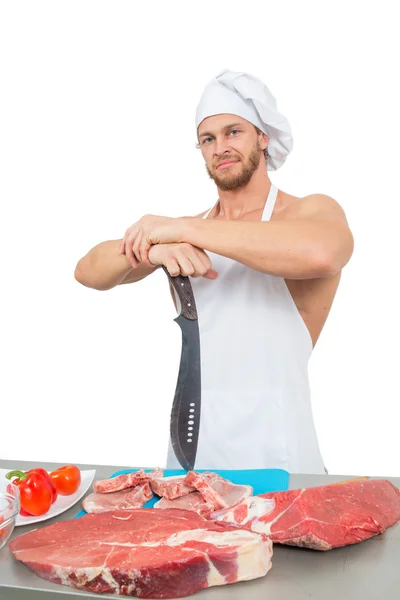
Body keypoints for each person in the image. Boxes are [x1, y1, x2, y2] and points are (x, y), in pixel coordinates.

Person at [75, 69, 354, 474]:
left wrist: (179, 229)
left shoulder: (307, 212)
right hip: (192, 451)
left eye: (233, 132)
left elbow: (325, 253)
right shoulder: (182, 235)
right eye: (208, 139)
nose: (220, 147)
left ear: (263, 137)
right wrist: (155, 252)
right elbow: (88, 271)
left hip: (280, 454)